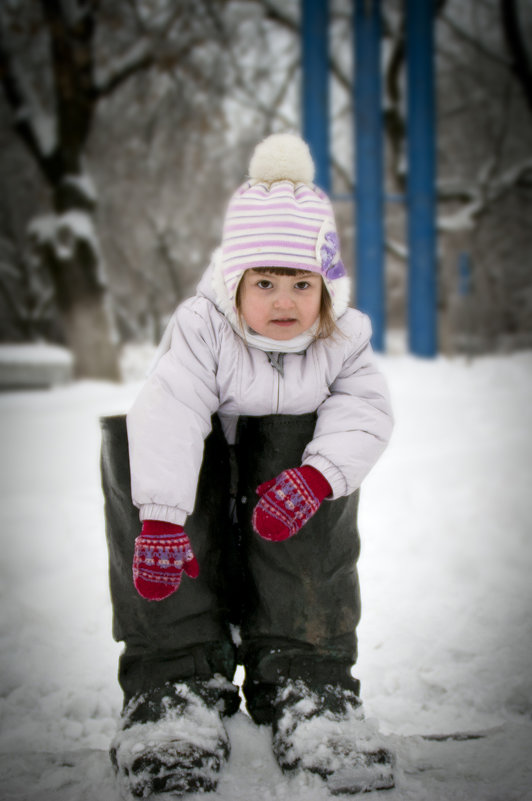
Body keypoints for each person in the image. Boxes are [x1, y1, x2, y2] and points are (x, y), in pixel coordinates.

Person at [100, 132, 394, 798]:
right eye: (265, 282)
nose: (285, 300)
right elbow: (170, 413)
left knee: (323, 446)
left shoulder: (342, 340)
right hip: (200, 500)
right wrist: (165, 518)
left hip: (288, 520)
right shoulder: (205, 327)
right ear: (236, 281)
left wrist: (316, 475)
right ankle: (173, 679)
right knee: (144, 441)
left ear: (327, 285)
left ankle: (306, 675)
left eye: (301, 282)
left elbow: (368, 413)